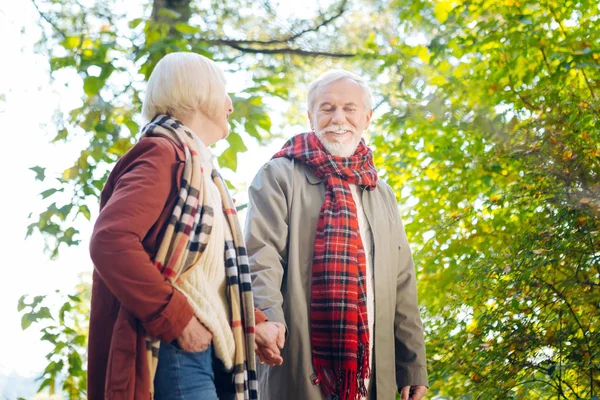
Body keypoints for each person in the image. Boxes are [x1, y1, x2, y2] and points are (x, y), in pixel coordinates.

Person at [245, 69, 428, 400]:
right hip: (299, 365)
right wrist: (267, 320)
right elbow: (261, 257)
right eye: (327, 108)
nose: (338, 118)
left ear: (367, 118)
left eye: (349, 108)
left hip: (374, 375)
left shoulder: (381, 193)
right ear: (311, 117)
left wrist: (413, 364)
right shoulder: (278, 176)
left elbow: (402, 283)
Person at [88, 52, 260, 400]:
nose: (229, 104)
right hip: (174, 349)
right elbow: (111, 241)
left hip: (205, 349)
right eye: (223, 91)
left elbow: (206, 278)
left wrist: (257, 323)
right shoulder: (163, 154)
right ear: (200, 92)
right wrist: (177, 320)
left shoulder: (202, 172)